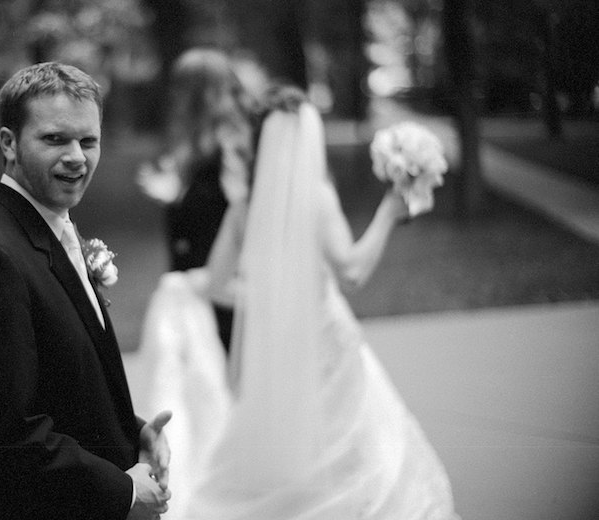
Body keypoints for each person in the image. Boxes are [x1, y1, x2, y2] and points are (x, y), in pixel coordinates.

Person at [139, 99, 460, 518]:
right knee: (353, 448)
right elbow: (353, 273)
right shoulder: (317, 198)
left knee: (280, 447)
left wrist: (269, 300)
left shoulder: (243, 207)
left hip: (276, 351)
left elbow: (216, 286)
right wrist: (387, 212)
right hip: (328, 345)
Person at [0, 62, 171, 520]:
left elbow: (59, 384)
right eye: (55, 139)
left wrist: (131, 431)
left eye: (88, 140)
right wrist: (123, 491)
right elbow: (2, 436)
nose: (77, 156)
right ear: (9, 143)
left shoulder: (51, 231)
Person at [136, 47, 293, 352]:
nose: (175, 96)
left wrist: (179, 194)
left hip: (220, 284)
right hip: (195, 280)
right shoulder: (200, 138)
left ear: (198, 92)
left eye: (182, 87)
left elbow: (245, 210)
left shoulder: (231, 139)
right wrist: (175, 193)